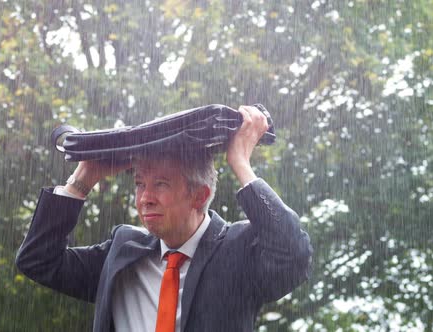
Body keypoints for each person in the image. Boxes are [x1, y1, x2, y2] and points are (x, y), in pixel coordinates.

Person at [16, 105, 313, 332]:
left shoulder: (238, 250)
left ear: (199, 196)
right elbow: (38, 261)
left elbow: (294, 254)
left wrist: (239, 162)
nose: (145, 197)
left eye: (161, 184)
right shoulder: (123, 250)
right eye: (140, 184)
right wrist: (82, 179)